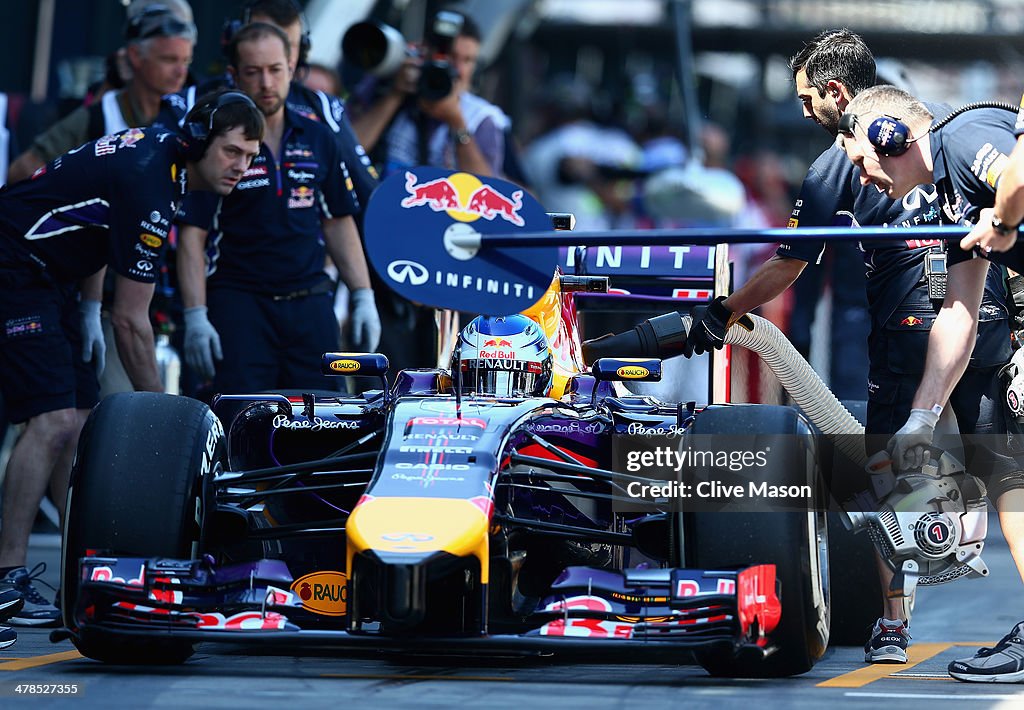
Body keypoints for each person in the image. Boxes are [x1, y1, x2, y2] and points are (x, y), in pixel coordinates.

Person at [682, 30, 1017, 665]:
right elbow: (970, 280)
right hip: (969, 320)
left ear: (840, 95)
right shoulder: (935, 138)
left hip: (912, 332)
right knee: (999, 476)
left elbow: (789, 264)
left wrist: (723, 311)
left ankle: (894, 622)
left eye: (810, 99)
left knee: (894, 471)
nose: (807, 113)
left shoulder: (880, 155)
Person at [0, 90, 264, 628]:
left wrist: (87, 306)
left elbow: (96, 225)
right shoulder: (153, 181)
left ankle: (82, 571)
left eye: (252, 157)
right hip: (15, 263)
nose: (243, 167)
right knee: (49, 420)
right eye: (233, 152)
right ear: (200, 141)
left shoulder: (159, 153)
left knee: (78, 423)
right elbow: (130, 322)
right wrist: (170, 419)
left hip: (49, 276)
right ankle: (5, 579)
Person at [840, 84, 1024, 682]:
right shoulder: (947, 201)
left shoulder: (968, 140)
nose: (863, 180)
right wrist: (921, 417)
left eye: (862, 162)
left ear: (889, 136)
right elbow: (959, 311)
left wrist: (1000, 219)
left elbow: (1020, 179)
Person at [176, 23, 379, 396]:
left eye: (275, 70)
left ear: (291, 66)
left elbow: (338, 221)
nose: (266, 83)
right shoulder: (215, 143)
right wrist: (195, 315)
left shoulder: (319, 136)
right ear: (234, 75)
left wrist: (363, 294)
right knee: (243, 425)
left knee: (329, 423)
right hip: (239, 305)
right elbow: (192, 234)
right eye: (253, 72)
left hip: (311, 304)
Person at [7, 3, 196, 184]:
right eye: (169, 60)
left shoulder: (192, 115)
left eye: (186, 61)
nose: (181, 72)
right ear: (135, 56)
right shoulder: (101, 116)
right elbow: (21, 172)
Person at [347, 8, 507, 179]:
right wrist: (395, 95)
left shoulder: (480, 117)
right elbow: (346, 151)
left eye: (467, 60)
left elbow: (487, 191)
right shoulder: (385, 86)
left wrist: (457, 122)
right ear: (424, 50)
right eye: (452, 57)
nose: (459, 70)